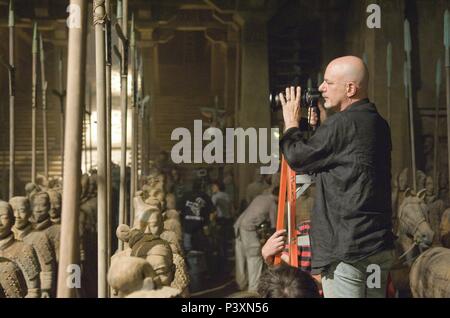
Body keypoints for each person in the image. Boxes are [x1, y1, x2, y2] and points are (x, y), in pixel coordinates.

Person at [279, 56, 394, 298]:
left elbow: (298, 157)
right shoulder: (379, 124)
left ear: (350, 88)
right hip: (377, 247)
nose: (321, 88)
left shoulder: (340, 125)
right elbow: (347, 161)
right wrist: (323, 128)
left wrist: (291, 124)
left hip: (346, 249)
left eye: (329, 83)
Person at [234, 186, 278, 292]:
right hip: (248, 229)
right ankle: (253, 290)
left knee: (241, 257)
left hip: (238, 226)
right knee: (254, 258)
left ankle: (241, 283)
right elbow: (274, 226)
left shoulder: (260, 197)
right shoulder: (273, 204)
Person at [210, 180, 232, 271]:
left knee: (219, 244)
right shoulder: (227, 195)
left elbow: (212, 210)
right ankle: (226, 265)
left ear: (217, 186)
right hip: (227, 221)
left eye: (213, 186)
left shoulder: (215, 197)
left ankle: (221, 267)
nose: (212, 188)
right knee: (225, 244)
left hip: (220, 221)